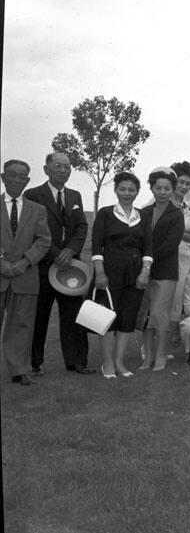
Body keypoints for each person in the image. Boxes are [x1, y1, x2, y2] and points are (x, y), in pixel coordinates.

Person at [24, 152, 91, 375]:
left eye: (67, 167)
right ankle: (34, 364)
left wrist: (70, 251)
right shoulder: (33, 195)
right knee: (39, 316)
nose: (64, 170)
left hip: (71, 266)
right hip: (43, 266)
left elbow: (82, 227)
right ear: (46, 169)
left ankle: (76, 362)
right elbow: (32, 229)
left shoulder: (75, 196)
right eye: (58, 166)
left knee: (73, 315)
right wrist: (56, 254)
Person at [91, 172, 152, 378]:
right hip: (110, 272)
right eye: (122, 189)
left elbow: (148, 249)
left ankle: (119, 362)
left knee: (128, 317)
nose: (127, 193)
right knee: (107, 317)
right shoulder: (105, 213)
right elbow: (96, 246)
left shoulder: (142, 216)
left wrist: (144, 273)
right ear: (116, 190)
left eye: (131, 189)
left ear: (137, 192)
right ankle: (107, 363)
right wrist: (99, 272)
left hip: (136, 274)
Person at [1, 159, 51, 386]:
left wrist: (24, 263)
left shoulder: (37, 210)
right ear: (3, 177)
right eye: (11, 175)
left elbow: (44, 240)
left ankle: (19, 370)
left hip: (26, 275)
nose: (16, 180)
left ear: (28, 181)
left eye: (22, 176)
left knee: (22, 325)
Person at [138, 168, 185, 371]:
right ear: (152, 189)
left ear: (172, 190)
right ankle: (147, 357)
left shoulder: (176, 214)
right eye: (159, 188)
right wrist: (144, 264)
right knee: (146, 314)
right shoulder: (143, 213)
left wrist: (149, 259)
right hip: (143, 271)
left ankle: (161, 356)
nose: (163, 192)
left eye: (167, 188)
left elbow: (171, 243)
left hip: (165, 270)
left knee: (159, 313)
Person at [169, 162, 190, 333]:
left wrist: (177, 233)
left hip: (183, 258)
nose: (183, 186)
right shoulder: (160, 200)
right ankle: (148, 347)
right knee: (159, 301)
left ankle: (164, 345)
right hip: (163, 257)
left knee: (177, 299)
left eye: (188, 183)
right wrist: (182, 233)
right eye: (180, 182)